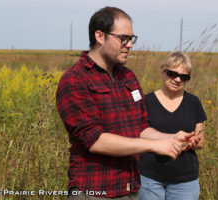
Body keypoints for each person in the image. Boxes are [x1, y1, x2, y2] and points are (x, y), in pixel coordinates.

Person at [56, 7, 195, 200]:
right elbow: (95, 141)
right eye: (124, 38)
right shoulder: (75, 80)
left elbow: (140, 128)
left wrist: (172, 138)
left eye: (132, 39)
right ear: (100, 36)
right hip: (94, 191)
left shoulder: (128, 77)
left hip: (130, 189)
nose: (129, 45)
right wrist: (154, 146)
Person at [139, 51, 207, 200]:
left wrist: (192, 142)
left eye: (184, 77)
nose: (177, 79)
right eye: (172, 73)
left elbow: (201, 141)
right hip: (150, 178)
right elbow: (139, 132)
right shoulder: (147, 101)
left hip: (185, 181)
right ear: (162, 72)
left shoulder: (193, 102)